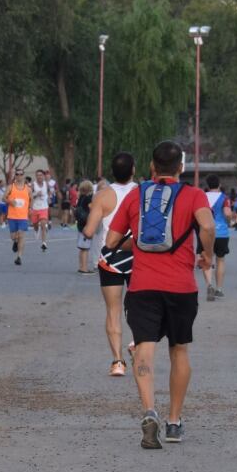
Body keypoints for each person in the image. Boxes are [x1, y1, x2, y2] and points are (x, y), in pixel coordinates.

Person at [103, 140, 215, 449]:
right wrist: (206, 255)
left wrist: (136, 243)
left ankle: (149, 411)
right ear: (181, 167)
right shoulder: (194, 195)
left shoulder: (136, 196)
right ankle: (174, 422)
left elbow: (112, 240)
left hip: (143, 286)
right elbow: (207, 226)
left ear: (152, 167)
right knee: (179, 350)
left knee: (144, 349)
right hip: (181, 287)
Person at [81, 152, 137, 377]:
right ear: (133, 170)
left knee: (113, 310)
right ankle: (137, 342)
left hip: (110, 257)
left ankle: (117, 361)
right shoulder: (141, 193)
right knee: (140, 306)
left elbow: (89, 230)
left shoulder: (103, 196)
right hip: (137, 255)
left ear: (112, 172)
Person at [201, 175, 234, 301]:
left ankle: (209, 285)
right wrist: (229, 220)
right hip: (221, 232)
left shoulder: (202, 197)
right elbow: (227, 213)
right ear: (219, 184)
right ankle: (219, 289)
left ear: (207, 185)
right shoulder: (224, 198)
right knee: (220, 260)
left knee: (207, 259)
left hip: (205, 231)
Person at [5, 176, 32, 263]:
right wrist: (10, 201)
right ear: (16, 176)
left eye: (21, 174)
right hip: (12, 216)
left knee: (21, 235)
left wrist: (30, 209)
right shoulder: (10, 187)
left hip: (23, 216)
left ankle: (19, 257)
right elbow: (3, 198)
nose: (19, 176)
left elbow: (31, 199)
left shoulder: (28, 189)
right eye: (17, 174)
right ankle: (15, 242)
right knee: (13, 237)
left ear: (23, 176)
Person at [73, 180, 95, 273]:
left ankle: (81, 266)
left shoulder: (81, 197)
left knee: (82, 248)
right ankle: (84, 268)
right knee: (85, 248)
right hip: (86, 224)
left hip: (80, 224)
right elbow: (91, 209)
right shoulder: (88, 198)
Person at [31, 170, 51, 252]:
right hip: (35, 208)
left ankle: (44, 243)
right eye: (38, 175)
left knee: (43, 224)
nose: (39, 176)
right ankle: (36, 230)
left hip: (44, 207)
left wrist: (49, 198)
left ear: (43, 176)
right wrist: (36, 194)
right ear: (36, 176)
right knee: (35, 224)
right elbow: (29, 196)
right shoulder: (33, 185)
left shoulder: (46, 184)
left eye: (41, 175)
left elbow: (49, 192)